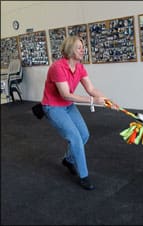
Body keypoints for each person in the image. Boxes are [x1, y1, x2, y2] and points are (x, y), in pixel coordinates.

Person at [41, 36, 118, 190]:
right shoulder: (58, 67)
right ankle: (84, 176)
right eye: (79, 47)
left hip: (67, 106)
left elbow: (91, 89)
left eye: (83, 47)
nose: (83, 50)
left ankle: (68, 160)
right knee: (75, 138)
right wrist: (92, 101)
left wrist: (107, 100)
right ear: (70, 50)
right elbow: (65, 95)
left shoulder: (80, 67)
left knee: (84, 135)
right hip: (53, 106)